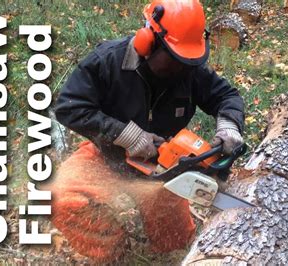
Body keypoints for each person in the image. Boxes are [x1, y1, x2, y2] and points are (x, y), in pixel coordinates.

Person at [51, 0, 245, 261]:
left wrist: (229, 125)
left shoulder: (188, 68)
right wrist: (125, 135)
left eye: (187, 61)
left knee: (176, 245)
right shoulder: (106, 62)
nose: (181, 68)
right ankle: (116, 255)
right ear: (148, 41)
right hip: (107, 155)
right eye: (174, 59)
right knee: (63, 198)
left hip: (166, 169)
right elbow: (69, 107)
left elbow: (226, 96)